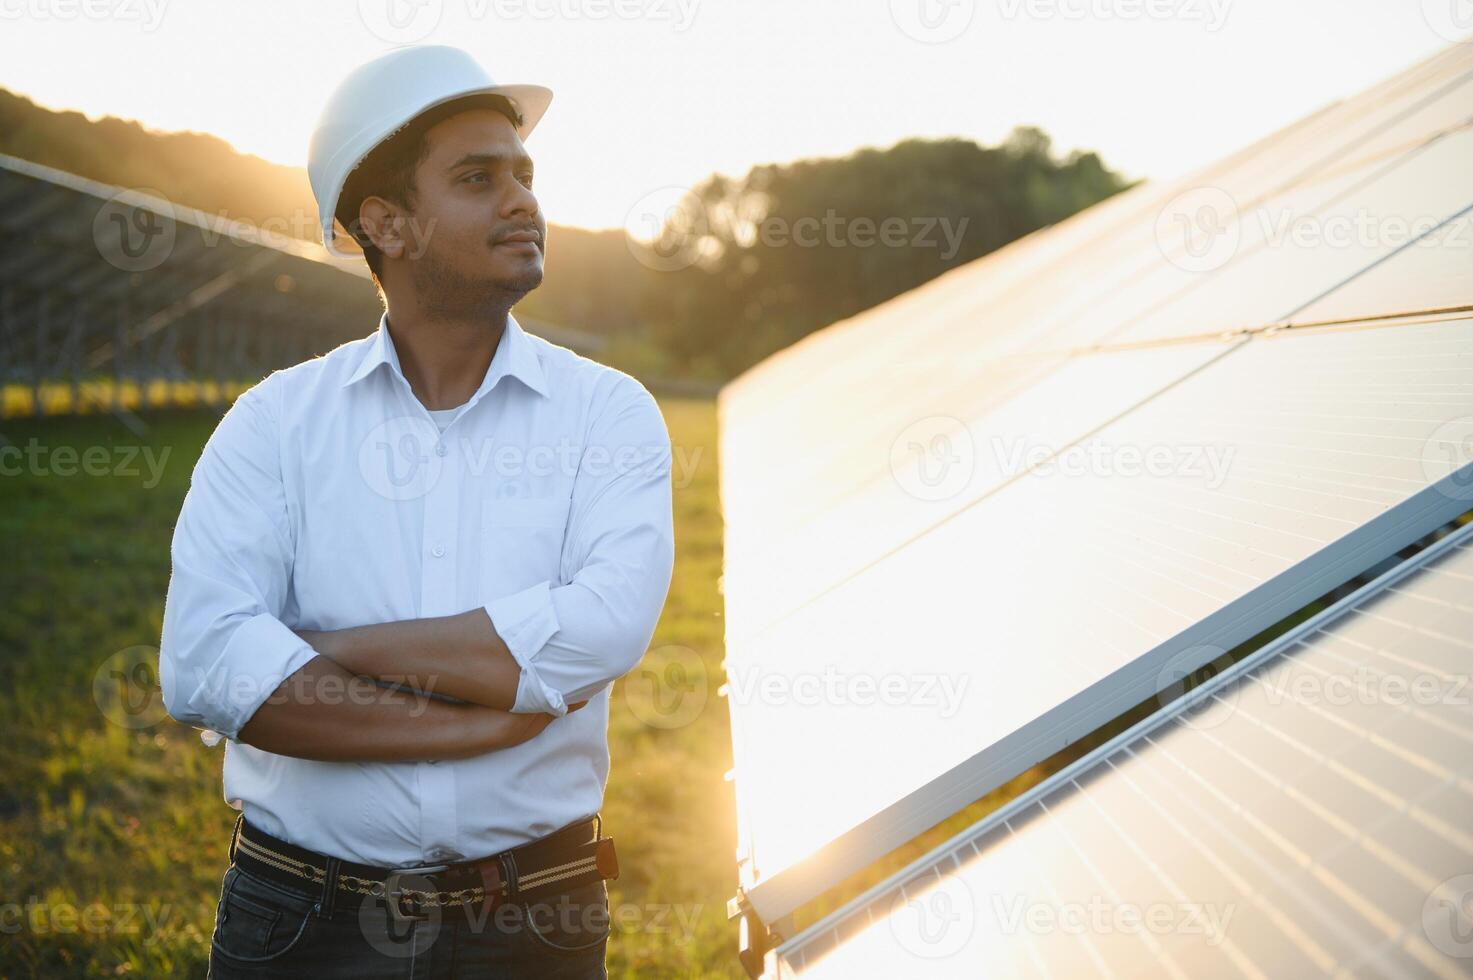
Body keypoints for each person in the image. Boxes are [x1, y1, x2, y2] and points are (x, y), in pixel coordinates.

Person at [158, 44, 675, 978]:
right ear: (385, 224)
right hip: (301, 922)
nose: (522, 200)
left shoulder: (610, 411)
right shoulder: (274, 422)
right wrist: (482, 721)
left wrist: (328, 646)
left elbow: (601, 629)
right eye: (478, 179)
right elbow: (207, 664)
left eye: (525, 175)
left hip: (530, 922)